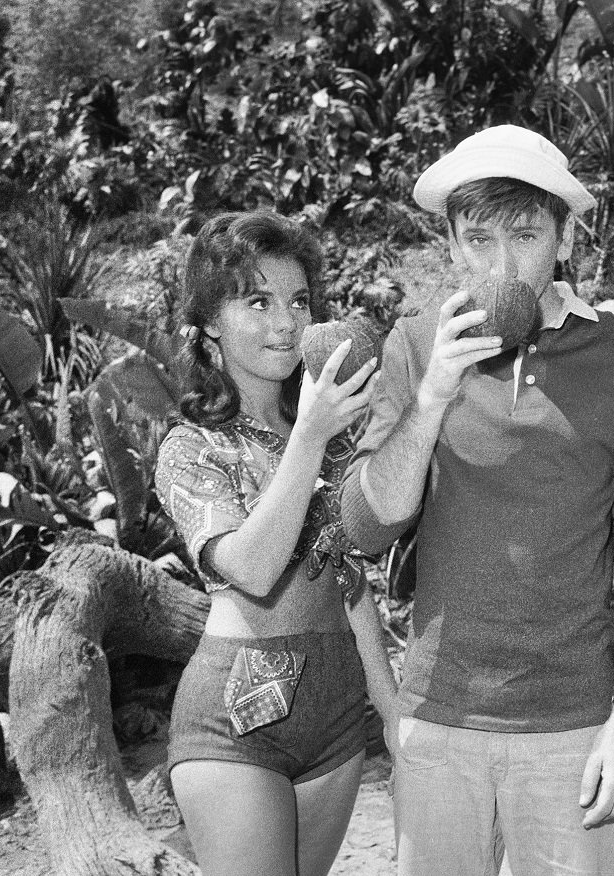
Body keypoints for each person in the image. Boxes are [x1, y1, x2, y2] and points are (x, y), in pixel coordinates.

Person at [339, 124, 614, 876]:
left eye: (524, 235)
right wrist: (430, 399)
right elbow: (362, 529)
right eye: (478, 238)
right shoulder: (415, 343)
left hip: (574, 723)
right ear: (454, 247)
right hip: (439, 715)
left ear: (562, 238)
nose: (501, 263)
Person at [154, 211, 398, 876]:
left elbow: (348, 580)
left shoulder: (331, 432)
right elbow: (253, 570)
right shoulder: (192, 448)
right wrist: (311, 438)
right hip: (233, 717)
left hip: (336, 712)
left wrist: (390, 708)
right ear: (209, 321)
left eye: (297, 301)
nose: (285, 323)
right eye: (257, 302)